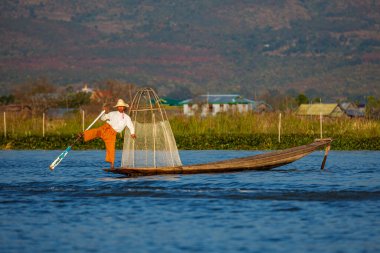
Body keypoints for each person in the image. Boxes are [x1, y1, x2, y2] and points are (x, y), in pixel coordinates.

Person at [81, 99, 136, 169]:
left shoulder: (127, 118)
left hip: (112, 133)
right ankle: (83, 134)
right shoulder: (112, 113)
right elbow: (103, 119)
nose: (120, 108)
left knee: (111, 148)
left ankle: (112, 165)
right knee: (96, 131)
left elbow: (130, 125)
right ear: (117, 107)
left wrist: (132, 133)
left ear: (124, 107)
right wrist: (104, 113)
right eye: (119, 107)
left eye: (122, 107)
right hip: (106, 128)